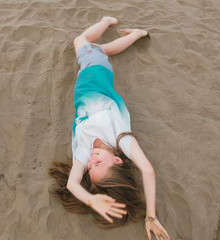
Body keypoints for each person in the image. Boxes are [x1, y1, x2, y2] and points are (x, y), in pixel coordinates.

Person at [49, 17, 170, 239]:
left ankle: (137, 34)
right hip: (96, 71)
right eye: (99, 162)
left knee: (101, 49)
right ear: (117, 160)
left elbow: (72, 184)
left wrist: (91, 199)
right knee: (82, 41)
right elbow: (147, 169)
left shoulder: (85, 152)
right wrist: (150, 216)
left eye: (91, 166)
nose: (92, 159)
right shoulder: (121, 139)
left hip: (86, 75)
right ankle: (107, 21)